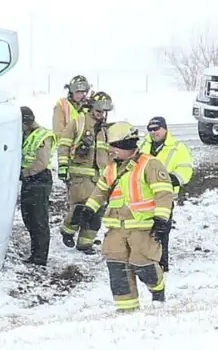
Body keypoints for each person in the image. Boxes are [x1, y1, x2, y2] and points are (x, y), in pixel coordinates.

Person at [74, 121, 174, 311]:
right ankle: (127, 309)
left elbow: (163, 193)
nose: (110, 150)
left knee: (143, 264)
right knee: (116, 266)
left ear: (126, 145)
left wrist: (161, 219)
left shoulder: (149, 164)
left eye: (114, 146)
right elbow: (100, 191)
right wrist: (89, 210)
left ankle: (157, 290)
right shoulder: (111, 168)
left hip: (142, 227)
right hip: (116, 228)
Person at [56, 91, 113, 253]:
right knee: (80, 208)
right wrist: (63, 166)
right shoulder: (78, 123)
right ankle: (67, 231)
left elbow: (109, 154)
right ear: (91, 107)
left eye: (104, 112)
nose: (101, 115)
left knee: (96, 211)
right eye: (99, 111)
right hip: (79, 176)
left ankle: (85, 243)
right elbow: (64, 145)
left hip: (99, 178)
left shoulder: (105, 130)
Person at [140, 116, 194, 271]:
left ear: (165, 129)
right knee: (142, 231)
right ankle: (145, 261)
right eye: (150, 130)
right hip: (143, 197)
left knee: (162, 231)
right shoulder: (143, 145)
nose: (153, 132)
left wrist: (167, 181)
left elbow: (185, 170)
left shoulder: (177, 147)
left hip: (165, 198)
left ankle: (162, 264)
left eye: (156, 129)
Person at [18, 106, 56, 266]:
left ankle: (40, 257)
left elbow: (41, 162)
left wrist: (23, 173)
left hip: (39, 179)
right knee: (28, 217)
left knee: (38, 219)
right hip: (29, 180)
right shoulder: (26, 134)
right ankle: (35, 253)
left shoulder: (42, 136)